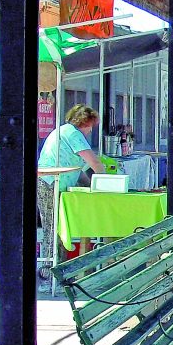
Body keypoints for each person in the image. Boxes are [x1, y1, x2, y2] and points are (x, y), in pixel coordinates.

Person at [37, 104, 105, 288]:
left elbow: (76, 169)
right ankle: (49, 278)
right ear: (84, 122)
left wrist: (88, 182)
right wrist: (107, 181)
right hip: (51, 183)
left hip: (52, 182)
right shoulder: (74, 134)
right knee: (54, 230)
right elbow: (94, 163)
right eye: (90, 126)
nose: (91, 130)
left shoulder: (65, 132)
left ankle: (58, 276)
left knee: (58, 230)